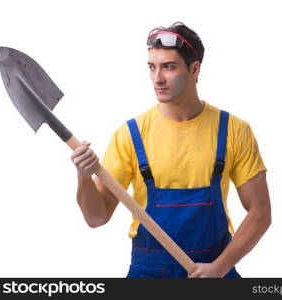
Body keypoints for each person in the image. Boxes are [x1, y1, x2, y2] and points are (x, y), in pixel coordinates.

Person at [71, 22, 271, 278]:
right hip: (148, 272)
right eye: (152, 67)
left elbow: (261, 212)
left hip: (214, 268)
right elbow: (96, 218)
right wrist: (83, 176)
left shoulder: (233, 130)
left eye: (169, 67)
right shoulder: (130, 136)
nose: (158, 78)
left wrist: (220, 267)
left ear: (194, 69)